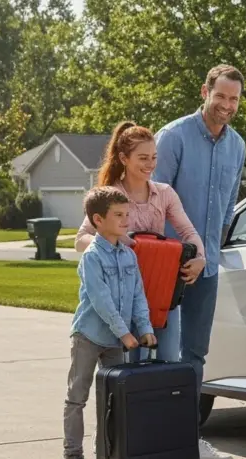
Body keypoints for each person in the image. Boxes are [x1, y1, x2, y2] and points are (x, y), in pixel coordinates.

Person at [152, 64, 246, 459]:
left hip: (206, 268)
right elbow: (153, 202)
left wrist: (209, 252)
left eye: (234, 99)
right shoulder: (173, 137)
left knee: (195, 354)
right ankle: (150, 439)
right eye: (220, 96)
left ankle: (187, 438)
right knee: (160, 352)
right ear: (205, 92)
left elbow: (227, 207)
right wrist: (174, 257)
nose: (227, 105)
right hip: (166, 266)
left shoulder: (237, 145)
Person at [75, 121, 207, 364]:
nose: (150, 164)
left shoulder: (165, 193)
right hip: (121, 296)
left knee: (167, 362)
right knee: (126, 367)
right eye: (143, 158)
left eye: (154, 157)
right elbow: (81, 239)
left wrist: (200, 258)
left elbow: (188, 232)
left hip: (160, 290)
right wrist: (116, 241)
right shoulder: (110, 195)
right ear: (124, 158)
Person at [63, 187, 157, 459]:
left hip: (117, 340)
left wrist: (145, 328)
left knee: (114, 401)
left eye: (127, 214)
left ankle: (110, 458)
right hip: (89, 336)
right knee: (77, 398)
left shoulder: (129, 255)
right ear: (98, 220)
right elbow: (101, 300)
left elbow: (138, 295)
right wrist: (125, 333)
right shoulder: (92, 257)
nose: (126, 220)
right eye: (118, 215)